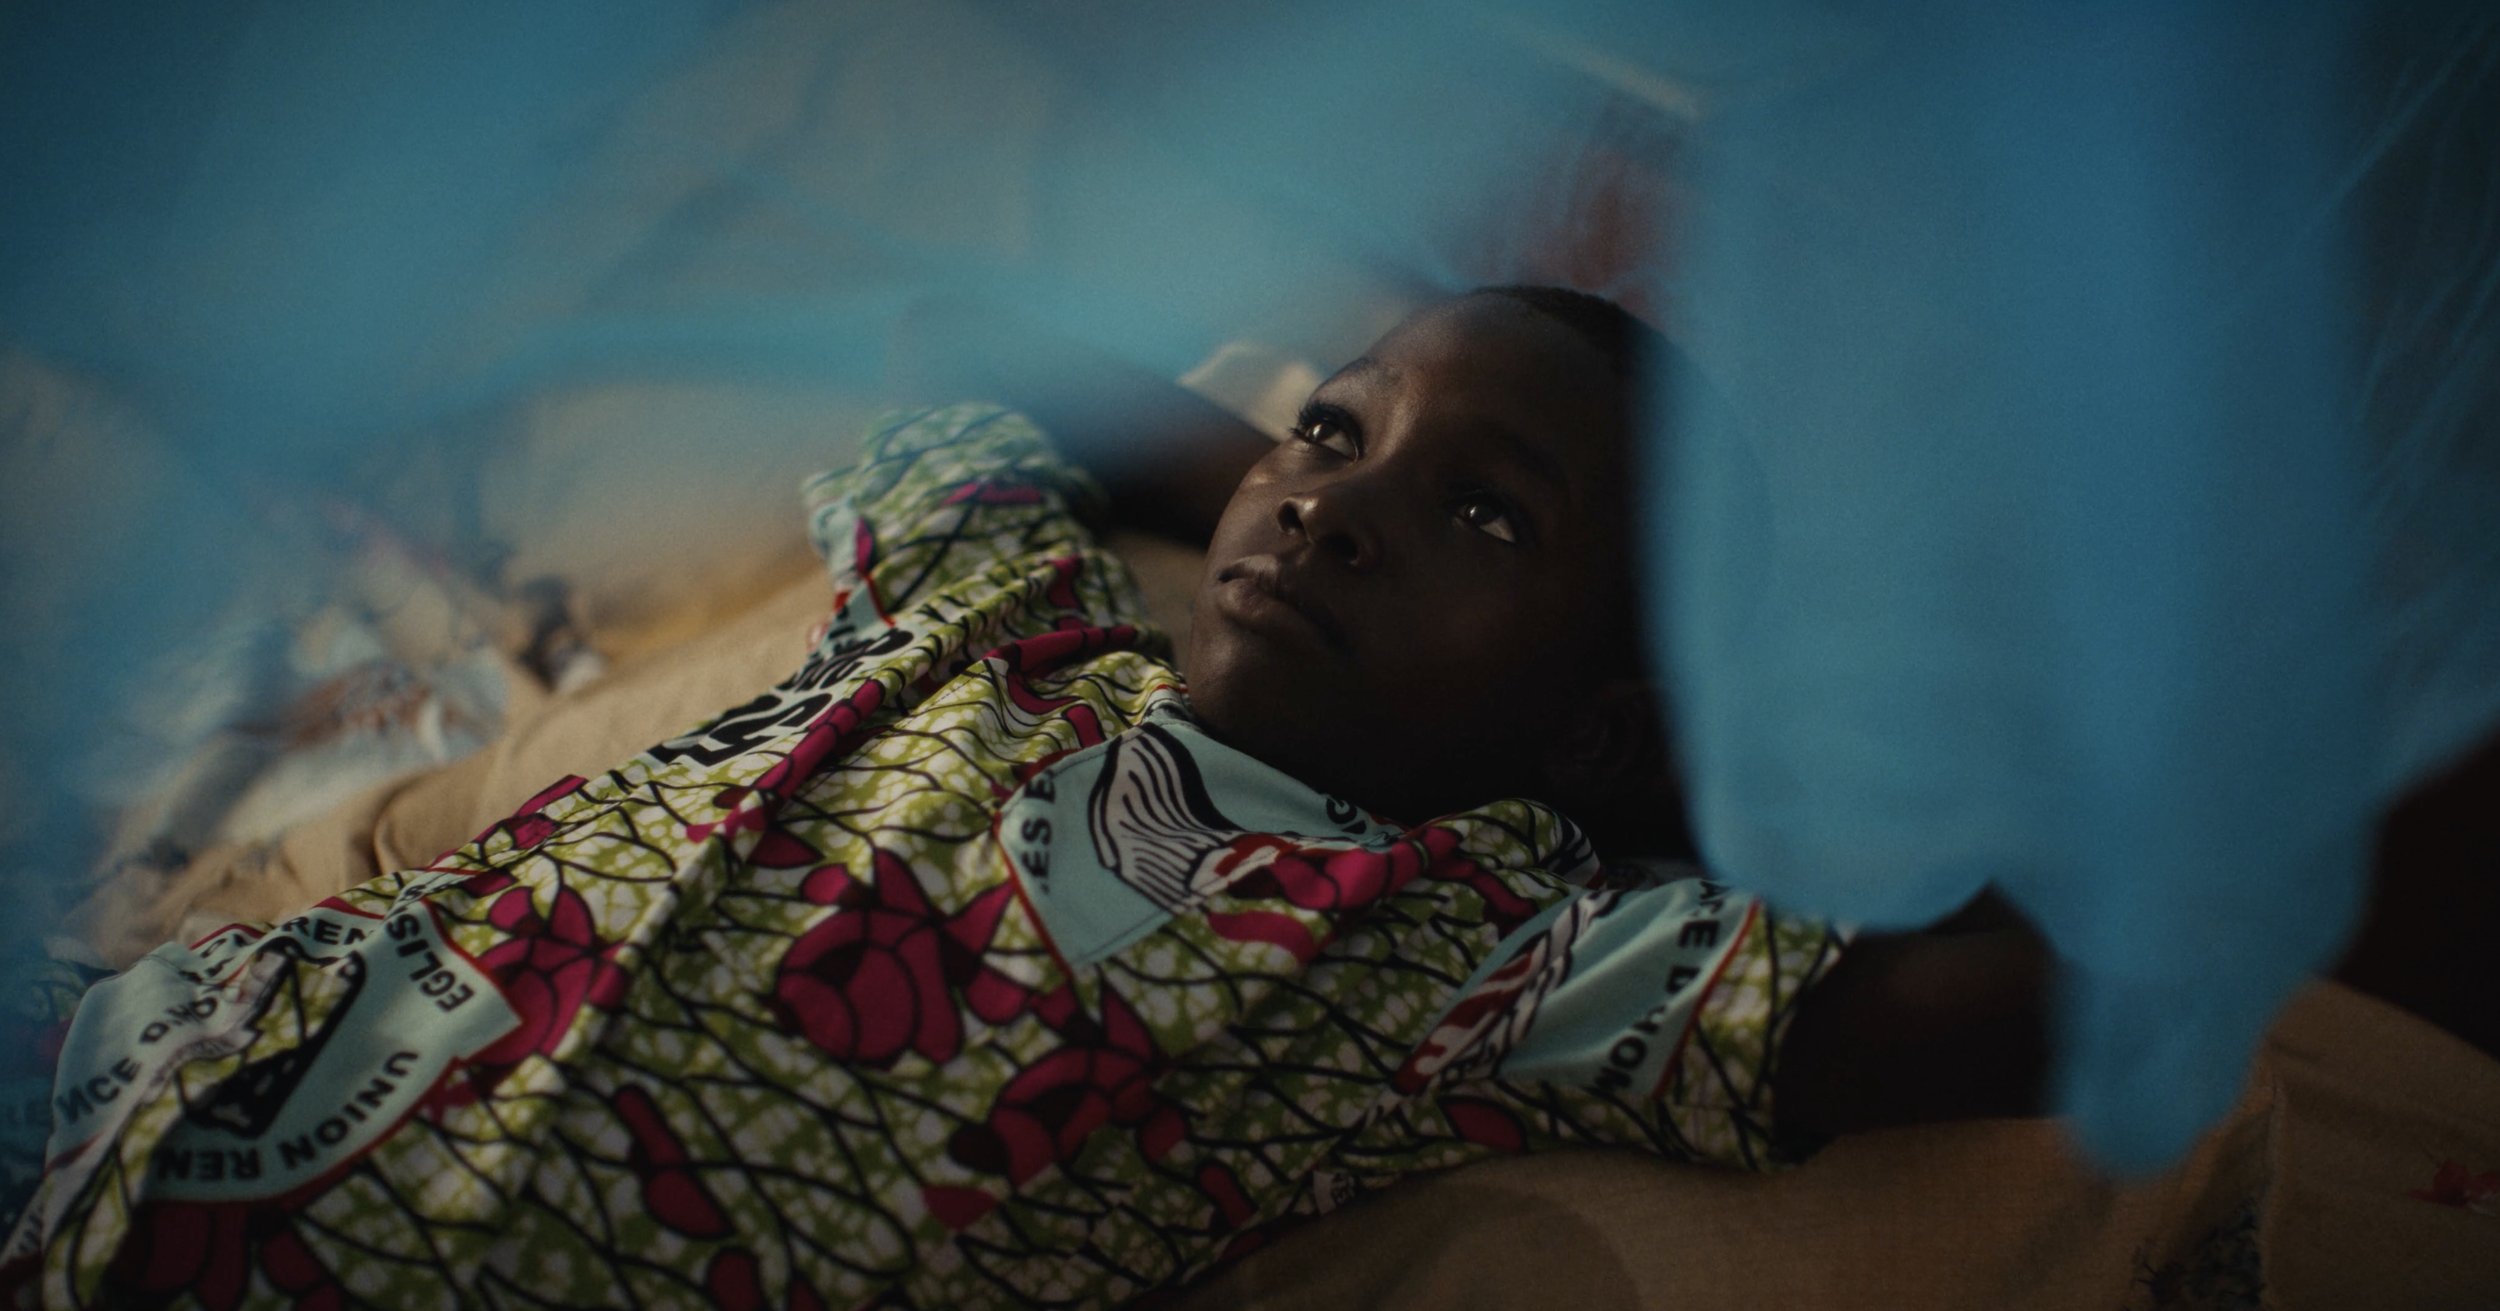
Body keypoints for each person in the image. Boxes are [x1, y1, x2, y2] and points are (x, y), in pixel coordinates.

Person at [1, 288, 2047, 1310]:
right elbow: (1002, 360)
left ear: (1595, 733)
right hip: (138, 1069)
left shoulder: (1465, 944)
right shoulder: (1013, 607)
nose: (1330, 510)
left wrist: (1738, 744)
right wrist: (1325, 476)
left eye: (1483, 514)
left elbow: (2011, 999)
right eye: (1332, 433)